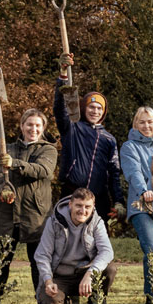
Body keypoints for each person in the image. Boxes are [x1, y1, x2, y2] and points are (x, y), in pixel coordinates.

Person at [0, 109, 58, 304]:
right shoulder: (7, 149)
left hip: (35, 215)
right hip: (7, 214)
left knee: (38, 262)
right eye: (29, 124)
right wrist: (3, 188)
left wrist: (16, 164)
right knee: (1, 262)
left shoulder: (49, 150)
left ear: (43, 128)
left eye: (38, 125)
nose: (33, 129)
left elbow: (42, 171)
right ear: (21, 126)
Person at [53, 54, 124, 222]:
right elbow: (59, 108)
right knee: (66, 237)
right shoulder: (72, 127)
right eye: (91, 107)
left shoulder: (109, 139)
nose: (95, 111)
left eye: (99, 108)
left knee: (98, 241)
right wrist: (63, 75)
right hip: (71, 192)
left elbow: (114, 172)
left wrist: (119, 201)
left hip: (98, 197)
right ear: (84, 108)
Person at [33, 188, 116, 304]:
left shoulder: (97, 222)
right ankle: (65, 302)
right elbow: (42, 255)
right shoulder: (53, 221)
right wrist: (48, 281)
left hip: (84, 273)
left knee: (110, 268)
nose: (83, 211)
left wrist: (90, 274)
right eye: (79, 206)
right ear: (70, 205)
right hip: (60, 276)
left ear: (93, 206)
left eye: (87, 207)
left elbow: (107, 252)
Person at [119, 106, 153, 304]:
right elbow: (133, 172)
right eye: (142, 122)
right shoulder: (129, 147)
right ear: (136, 125)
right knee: (152, 250)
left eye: (150, 122)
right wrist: (143, 191)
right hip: (141, 206)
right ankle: (151, 298)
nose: (147, 126)